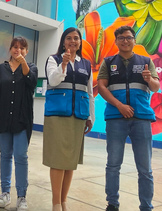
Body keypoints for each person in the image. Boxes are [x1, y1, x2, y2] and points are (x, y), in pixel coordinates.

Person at [96, 25, 160, 211]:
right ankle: (112, 203)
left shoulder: (146, 61)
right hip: (116, 118)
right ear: (116, 41)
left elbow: (156, 87)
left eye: (129, 37)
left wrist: (149, 79)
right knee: (113, 165)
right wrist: (120, 106)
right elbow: (101, 87)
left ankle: (146, 206)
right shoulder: (108, 62)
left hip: (142, 119)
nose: (125, 40)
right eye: (121, 38)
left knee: (145, 169)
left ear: (134, 40)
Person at [43, 27, 95, 211]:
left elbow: (89, 92)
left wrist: (90, 117)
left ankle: (64, 201)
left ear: (80, 42)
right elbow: (53, 81)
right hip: (57, 115)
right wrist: (63, 65)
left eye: (76, 38)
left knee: (70, 161)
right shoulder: (53, 59)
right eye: (69, 38)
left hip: (78, 116)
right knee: (58, 160)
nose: (73, 41)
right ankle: (56, 203)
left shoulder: (86, 64)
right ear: (63, 42)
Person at [0, 37, 38, 211]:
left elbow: (31, 82)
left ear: (26, 51)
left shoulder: (31, 67)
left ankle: (21, 196)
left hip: (22, 120)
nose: (18, 50)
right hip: (2, 118)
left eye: (22, 48)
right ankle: (5, 193)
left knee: (21, 156)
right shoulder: (0, 69)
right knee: (5, 155)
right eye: (15, 47)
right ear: (10, 49)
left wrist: (23, 62)